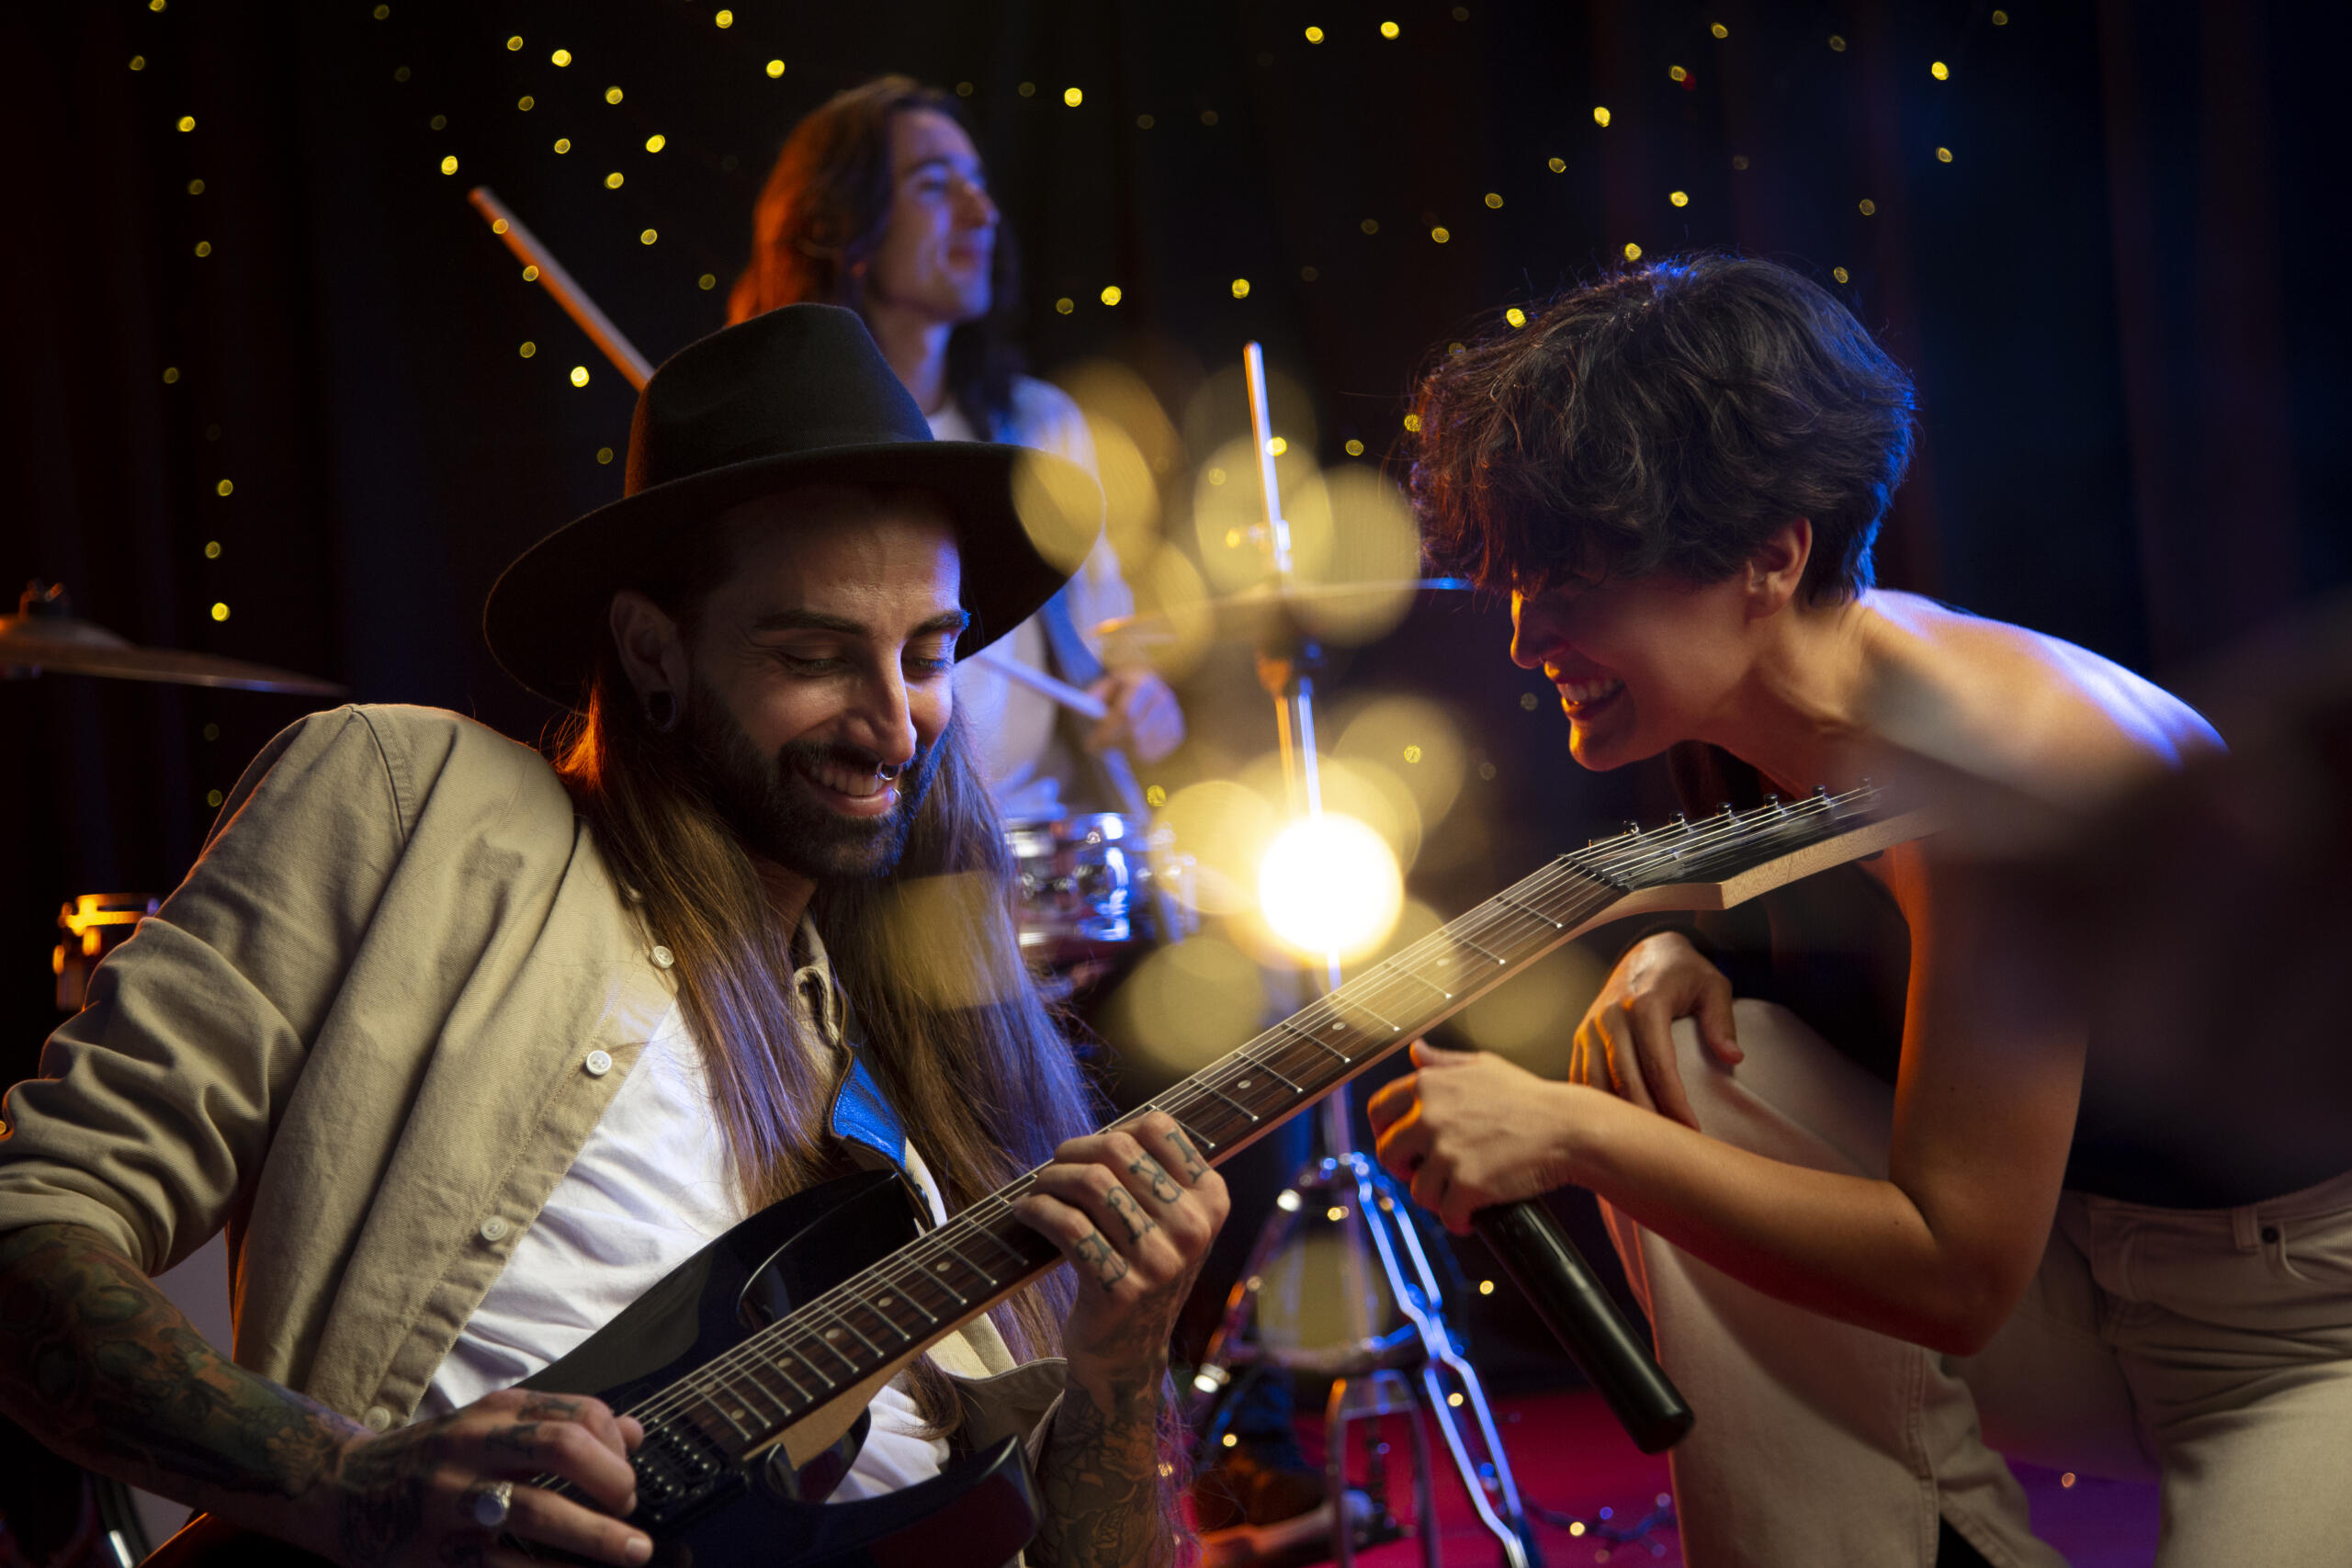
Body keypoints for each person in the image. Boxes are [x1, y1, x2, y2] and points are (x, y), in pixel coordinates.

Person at [0, 305, 1227, 1568]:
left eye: (926, 653)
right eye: (813, 652)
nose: (894, 725)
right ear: (652, 650)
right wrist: (350, 1479)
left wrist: (1121, 1365)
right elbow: (27, 1223)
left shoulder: (908, 1103)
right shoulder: (410, 798)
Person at [1366, 254, 2352, 1566]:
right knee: (1678, 1055)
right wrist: (1674, 947)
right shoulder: (1769, 697)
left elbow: (1957, 1270)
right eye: (1519, 584)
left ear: (1770, 559)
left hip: (2299, 1329)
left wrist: (1573, 1137)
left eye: (1576, 580)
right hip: (2096, 1272)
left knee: (1618, 1107)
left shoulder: (1986, 758)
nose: (1527, 637)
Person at [729, 75, 1182, 823]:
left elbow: (1114, 641)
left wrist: (1142, 691)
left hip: (1049, 843)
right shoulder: (775, 454)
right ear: (837, 224)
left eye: (979, 184)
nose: (983, 212)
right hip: (868, 849)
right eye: (935, 186)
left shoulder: (1043, 425)